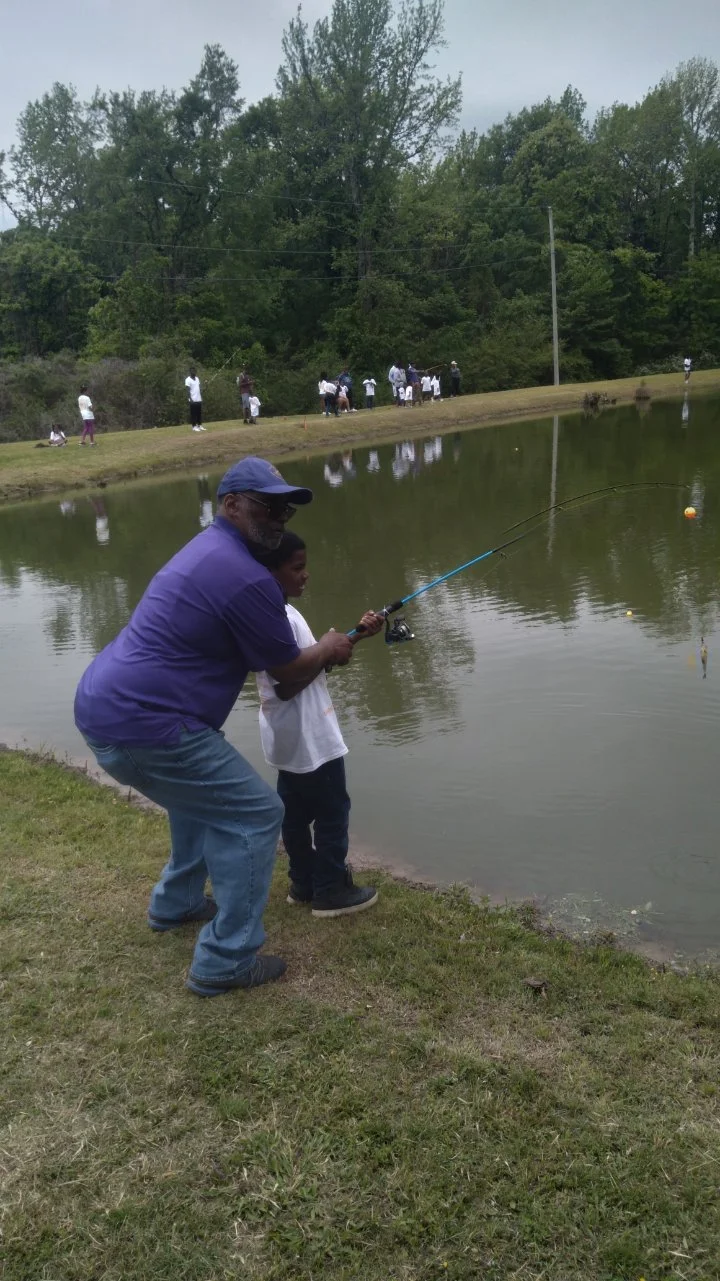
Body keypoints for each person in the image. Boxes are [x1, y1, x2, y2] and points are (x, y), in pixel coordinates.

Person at [73, 456, 355, 998]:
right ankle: (225, 959)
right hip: (146, 723)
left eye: (285, 507)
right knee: (254, 813)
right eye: (265, 505)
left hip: (105, 707)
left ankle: (176, 904)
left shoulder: (207, 550)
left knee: (197, 799)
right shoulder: (247, 577)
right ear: (229, 505)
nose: (278, 516)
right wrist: (328, 647)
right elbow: (290, 672)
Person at [255, 532, 383, 915]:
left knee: (293, 813)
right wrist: (328, 648)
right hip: (310, 735)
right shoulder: (277, 618)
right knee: (332, 810)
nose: (305, 575)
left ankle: (303, 883)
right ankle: (330, 890)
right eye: (297, 568)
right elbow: (288, 684)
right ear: (268, 571)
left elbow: (308, 664)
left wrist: (352, 638)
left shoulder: (276, 611)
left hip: (286, 738)